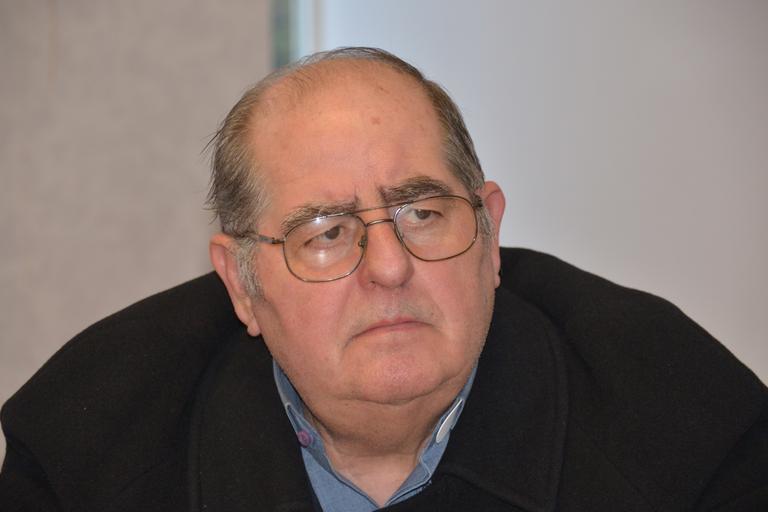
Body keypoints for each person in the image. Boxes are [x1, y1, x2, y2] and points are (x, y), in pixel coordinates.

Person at [1, 47, 766, 512]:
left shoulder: (686, 424)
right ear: (241, 284)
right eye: (327, 233)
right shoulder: (89, 452)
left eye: (423, 213)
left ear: (490, 234)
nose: (391, 266)